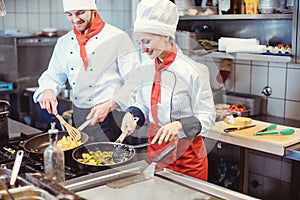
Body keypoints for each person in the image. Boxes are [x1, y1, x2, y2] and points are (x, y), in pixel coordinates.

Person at [121, 0, 216, 181]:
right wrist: (132, 114)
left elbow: (208, 116)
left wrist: (179, 125)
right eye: (139, 42)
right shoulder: (146, 66)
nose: (143, 48)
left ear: (165, 35)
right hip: (157, 152)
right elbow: (142, 103)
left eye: (147, 41)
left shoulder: (192, 71)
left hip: (188, 159)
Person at [33, 0, 140, 142]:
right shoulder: (64, 42)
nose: (75, 19)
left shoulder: (118, 38)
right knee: (80, 159)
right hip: (79, 115)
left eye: (80, 13)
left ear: (92, 10)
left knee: (110, 161)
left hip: (112, 116)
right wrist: (48, 90)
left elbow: (135, 80)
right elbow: (53, 75)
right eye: (69, 14)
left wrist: (112, 104)